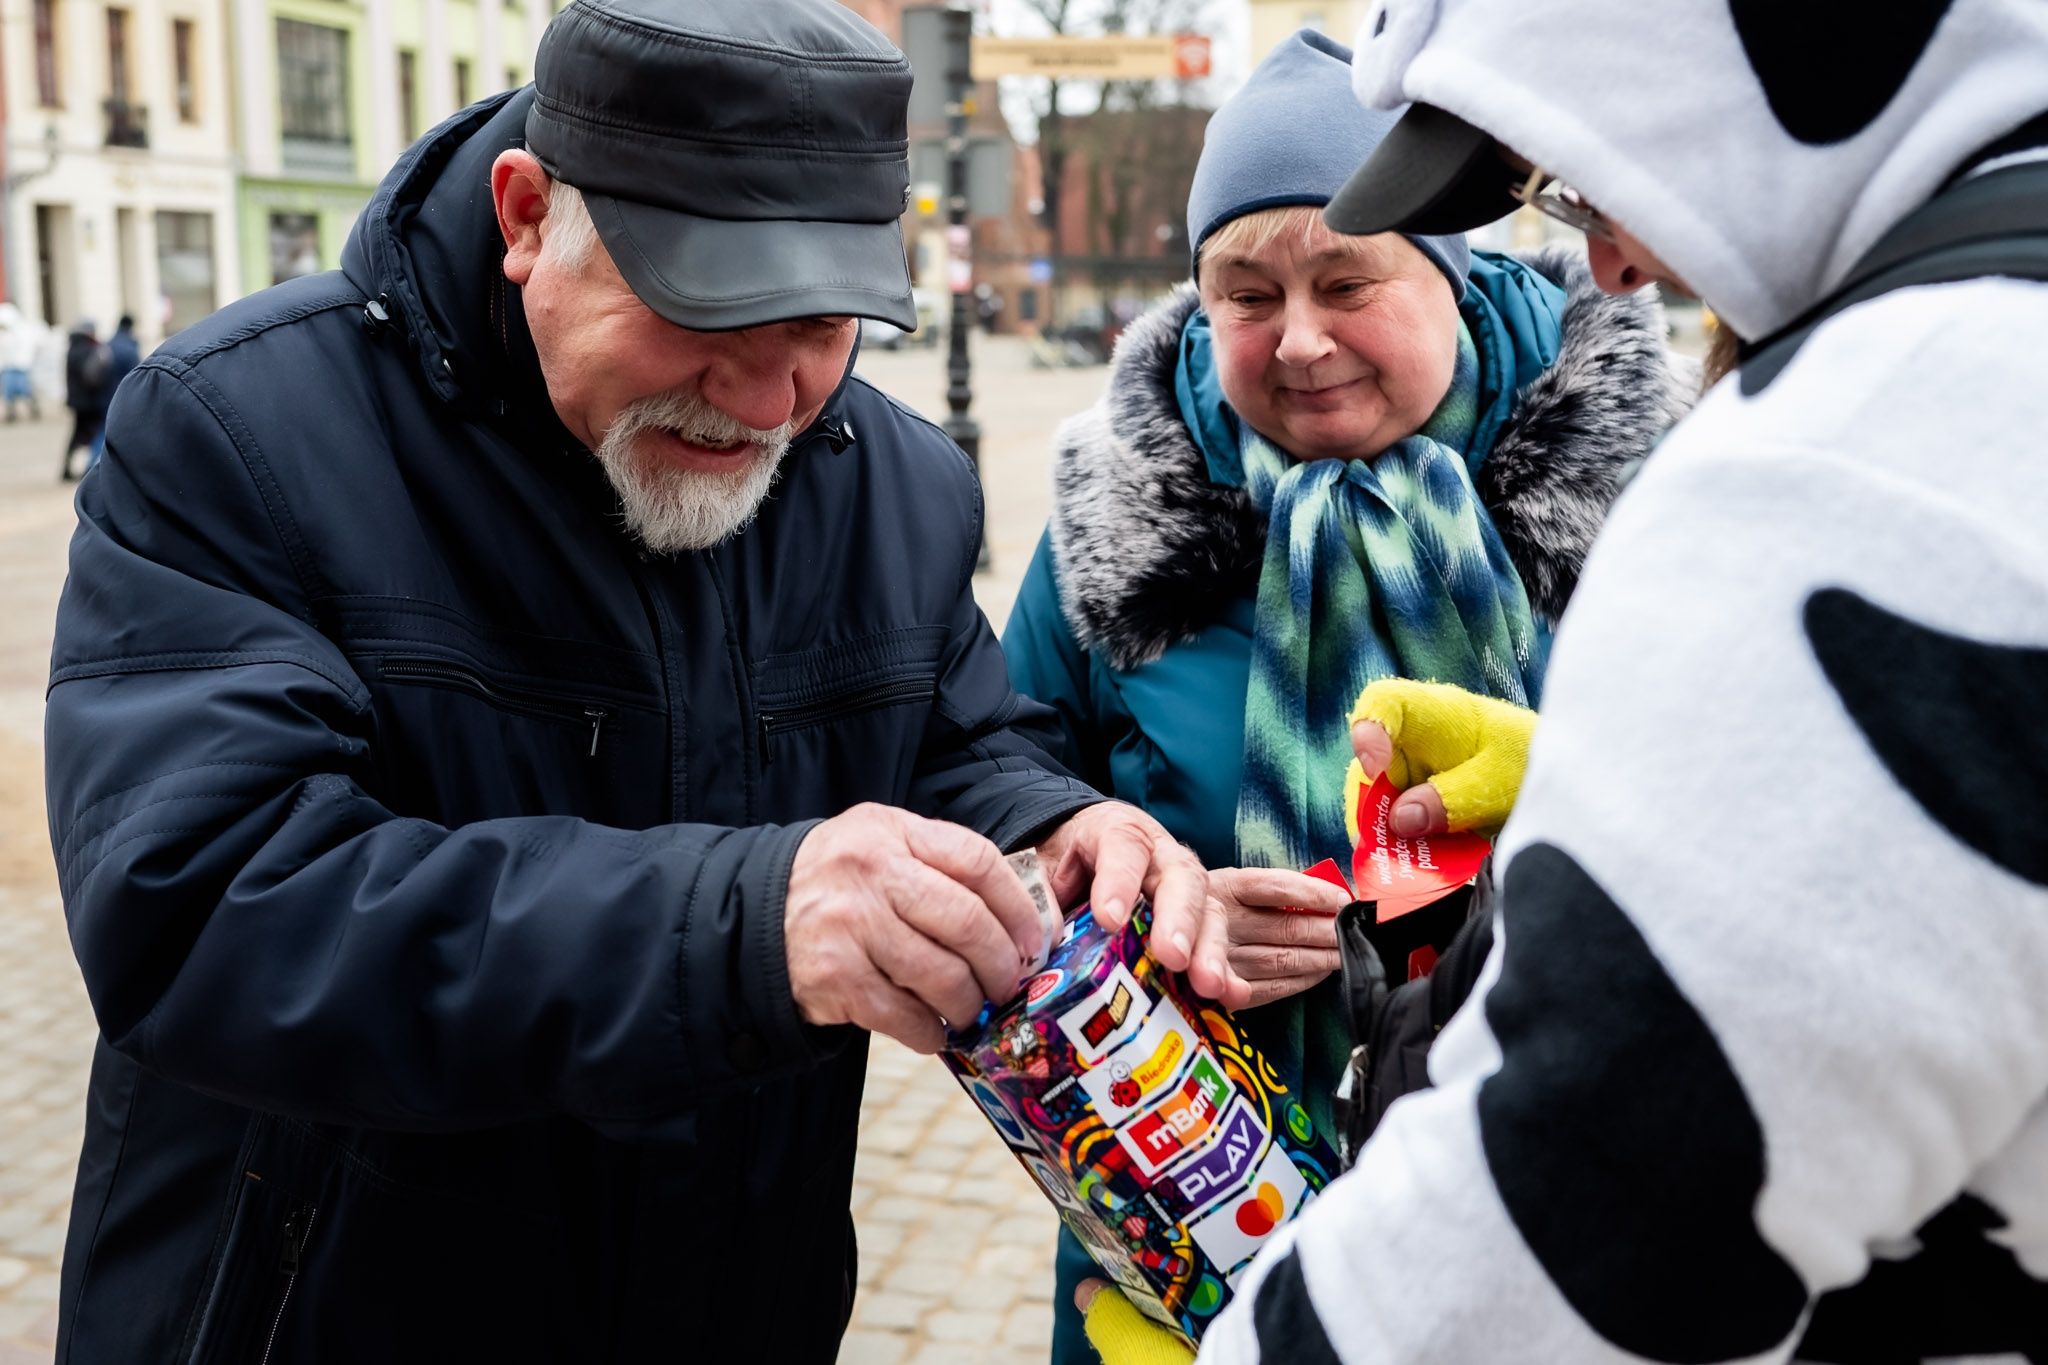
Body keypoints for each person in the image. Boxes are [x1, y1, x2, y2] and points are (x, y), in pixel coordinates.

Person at [41, 2, 1227, 1360]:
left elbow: (954, 740)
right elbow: (203, 909)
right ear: (528, 213)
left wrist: (1053, 831)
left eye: (829, 324)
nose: (774, 396)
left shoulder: (893, 480)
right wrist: (744, 927)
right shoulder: (234, 432)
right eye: (705, 309)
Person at [1180, 1, 2048, 1361]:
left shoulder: (1853, 463)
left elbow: (1542, 1255)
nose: (1611, 265)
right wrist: (1590, 788)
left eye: (1579, 180)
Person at [1000, 30, 1693, 1364]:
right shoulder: (1115, 515)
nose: (1300, 340)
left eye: (1348, 279)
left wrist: (1541, 807)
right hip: (1189, 1184)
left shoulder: (1657, 487)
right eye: (1245, 294)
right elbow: (999, 776)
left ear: (1452, 269)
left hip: (1544, 1173)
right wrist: (1142, 915)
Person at [85, 313, 140, 469]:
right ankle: (91, 468)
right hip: (123, 397)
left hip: (104, 395)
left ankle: (92, 466)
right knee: (109, 433)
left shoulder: (108, 344)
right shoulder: (130, 348)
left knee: (103, 430)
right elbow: (136, 376)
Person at [58, 318, 105, 481]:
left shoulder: (73, 347)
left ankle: (68, 468)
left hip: (77, 401)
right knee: (91, 434)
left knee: (78, 435)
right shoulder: (87, 349)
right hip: (87, 401)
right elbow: (91, 377)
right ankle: (88, 469)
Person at [0, 303, 42, 421]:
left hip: (21, 367)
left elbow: (31, 349)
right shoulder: (3, 335)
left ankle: (33, 408)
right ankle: (10, 412)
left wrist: (27, 361)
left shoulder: (23, 333)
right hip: (7, 368)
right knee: (8, 392)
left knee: (25, 390)